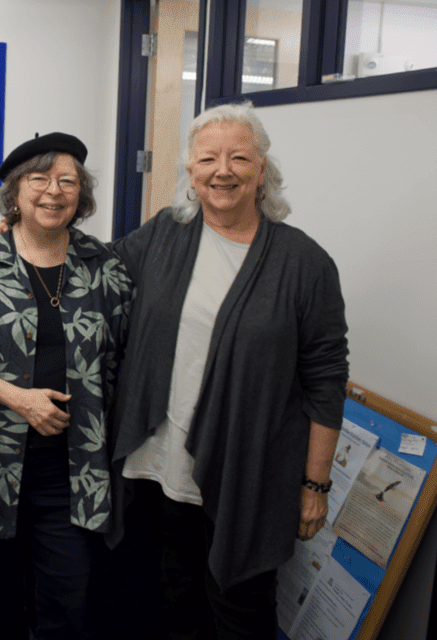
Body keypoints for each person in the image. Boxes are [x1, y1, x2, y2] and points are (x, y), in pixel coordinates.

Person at [109, 102, 349, 639]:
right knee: (172, 593)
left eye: (239, 157)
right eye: (208, 159)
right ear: (190, 173)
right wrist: (23, 232)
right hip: (161, 460)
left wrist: (315, 483)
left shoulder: (305, 264)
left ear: (262, 169)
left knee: (239, 609)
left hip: (248, 474)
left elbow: (327, 380)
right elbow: (96, 268)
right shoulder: (164, 234)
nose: (223, 170)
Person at [0, 133, 133, 640]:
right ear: (16, 193)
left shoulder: (105, 267)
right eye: (39, 179)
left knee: (71, 600)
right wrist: (17, 398)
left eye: (67, 181)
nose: (53, 192)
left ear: (82, 195)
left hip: (75, 470)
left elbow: (126, 355)